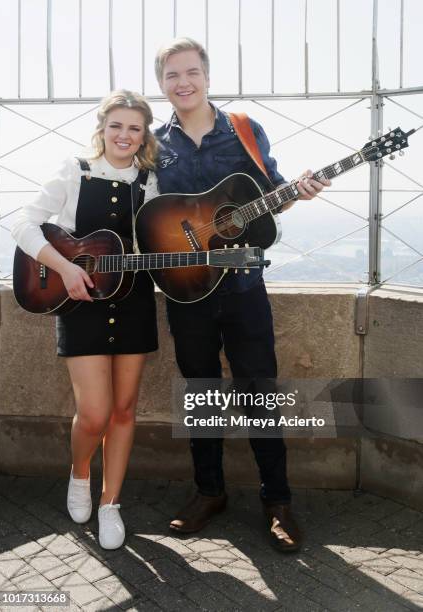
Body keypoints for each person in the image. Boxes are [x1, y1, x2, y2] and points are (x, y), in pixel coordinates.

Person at [153, 38, 331, 552]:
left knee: (259, 393)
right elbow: (151, 214)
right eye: (171, 75)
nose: (182, 82)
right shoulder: (155, 144)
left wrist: (299, 191)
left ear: (207, 75)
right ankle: (209, 493)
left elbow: (271, 200)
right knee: (201, 392)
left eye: (191, 72)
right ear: (162, 83)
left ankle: (278, 503)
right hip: (188, 291)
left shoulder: (245, 131)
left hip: (246, 284)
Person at [12, 90, 159, 550]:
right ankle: (80, 474)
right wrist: (65, 268)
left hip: (133, 301)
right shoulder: (74, 171)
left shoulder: (150, 182)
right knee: (94, 413)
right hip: (78, 301)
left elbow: (156, 243)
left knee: (123, 410)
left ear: (144, 135)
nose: (125, 135)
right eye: (116, 125)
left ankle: (110, 503)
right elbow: (22, 224)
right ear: (102, 127)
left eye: (135, 128)